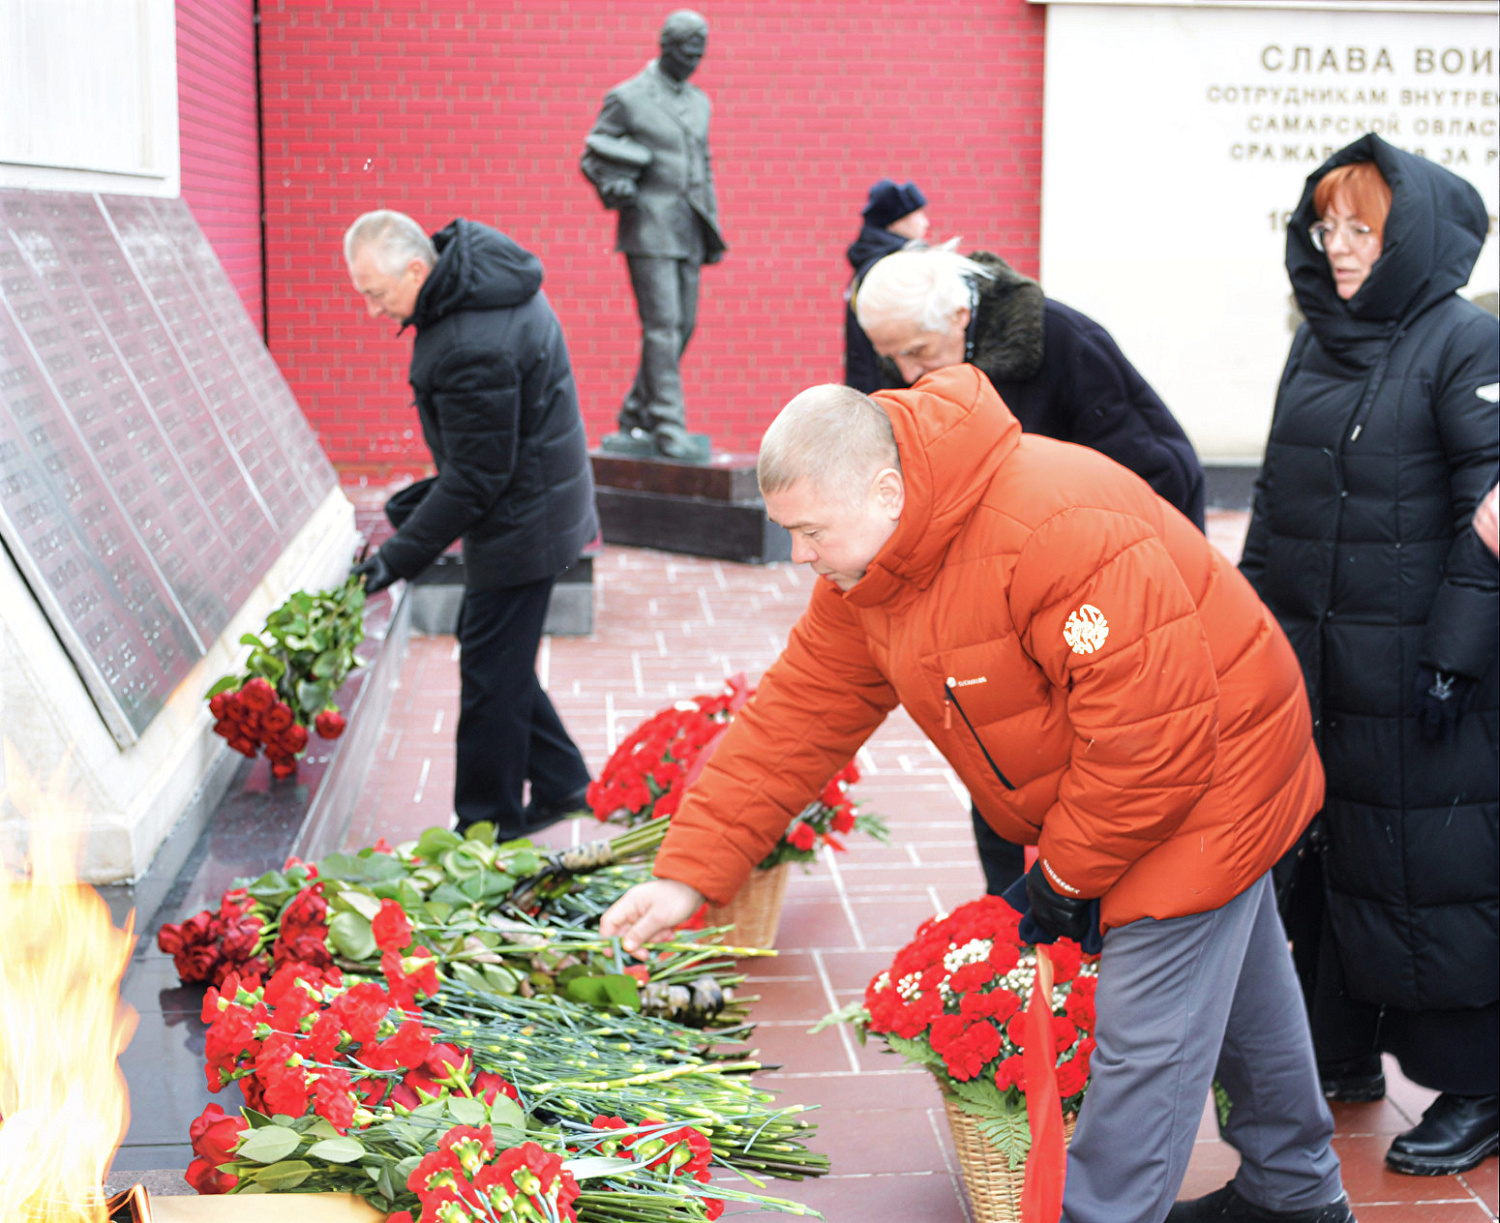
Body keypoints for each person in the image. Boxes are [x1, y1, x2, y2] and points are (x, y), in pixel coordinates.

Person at [603, 366, 1353, 1223]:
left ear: (886, 490)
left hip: (1211, 769)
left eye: (810, 530)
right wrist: (688, 873)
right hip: (1137, 777)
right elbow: (796, 715)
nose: (799, 554)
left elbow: (1153, 743)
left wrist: (1066, 879)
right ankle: (1295, 1196)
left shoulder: (1056, 527)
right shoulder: (870, 570)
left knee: (1146, 1036)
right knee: (1237, 969)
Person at [1239, 133, 1499, 1176]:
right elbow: (1270, 499)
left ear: (1411, 238)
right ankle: (1342, 1046)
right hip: (1321, 664)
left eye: (1364, 229)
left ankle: (1478, 1083)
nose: (1340, 247)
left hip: (1435, 674)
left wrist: (1456, 652)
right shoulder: (1316, 338)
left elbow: (1495, 507)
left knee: (1438, 868)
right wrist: (1248, 635)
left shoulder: (1463, 341)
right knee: (1334, 853)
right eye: (1328, 225)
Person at [856, 243, 1209, 894]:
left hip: (1087, 609)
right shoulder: (922, 352)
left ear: (962, 314)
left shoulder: (1064, 343)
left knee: (1091, 784)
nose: (906, 373)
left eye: (920, 354)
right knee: (1001, 769)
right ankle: (1013, 931)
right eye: (892, 356)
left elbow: (1163, 473)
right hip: (989, 615)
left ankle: (1070, 919)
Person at [343, 210, 597, 839]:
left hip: (524, 521)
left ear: (415, 268)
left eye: (376, 294)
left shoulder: (469, 341)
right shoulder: (474, 288)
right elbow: (484, 455)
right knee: (497, 659)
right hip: (535, 501)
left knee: (489, 675)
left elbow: (478, 476)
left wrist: (397, 557)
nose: (374, 312)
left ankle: (488, 824)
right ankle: (563, 783)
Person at [581, 9, 725, 463]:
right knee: (662, 328)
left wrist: (712, 226)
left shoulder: (700, 101)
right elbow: (593, 154)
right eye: (687, 51)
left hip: (690, 227)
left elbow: (702, 164)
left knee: (683, 327)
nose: (694, 61)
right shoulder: (628, 97)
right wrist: (614, 187)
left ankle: (633, 414)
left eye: (700, 54)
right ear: (665, 45)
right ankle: (667, 424)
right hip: (648, 226)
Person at [844, 178, 930, 393]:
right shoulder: (894, 268)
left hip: (872, 387)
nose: (925, 222)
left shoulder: (873, 262)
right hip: (892, 390)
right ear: (896, 222)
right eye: (917, 215)